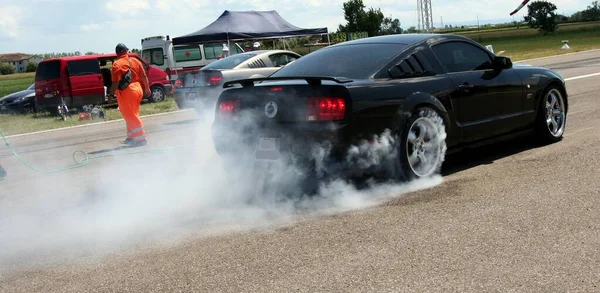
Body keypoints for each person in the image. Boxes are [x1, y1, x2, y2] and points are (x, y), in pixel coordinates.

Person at [108, 43, 150, 147]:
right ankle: (132, 137)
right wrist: (147, 88)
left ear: (118, 52)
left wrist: (110, 95)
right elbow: (143, 75)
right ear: (125, 51)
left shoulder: (117, 64)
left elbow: (115, 83)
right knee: (132, 113)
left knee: (131, 115)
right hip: (138, 89)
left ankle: (141, 138)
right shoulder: (135, 61)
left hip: (127, 92)